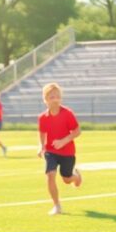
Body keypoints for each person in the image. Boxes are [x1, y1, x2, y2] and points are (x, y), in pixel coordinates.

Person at [37, 83, 82, 215]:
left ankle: (76, 177)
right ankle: (57, 205)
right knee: (50, 175)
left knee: (66, 179)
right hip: (51, 151)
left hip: (67, 152)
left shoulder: (67, 113)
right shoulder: (42, 118)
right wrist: (41, 146)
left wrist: (63, 141)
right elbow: (42, 132)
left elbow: (77, 131)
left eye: (57, 96)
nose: (55, 99)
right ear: (45, 100)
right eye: (52, 97)